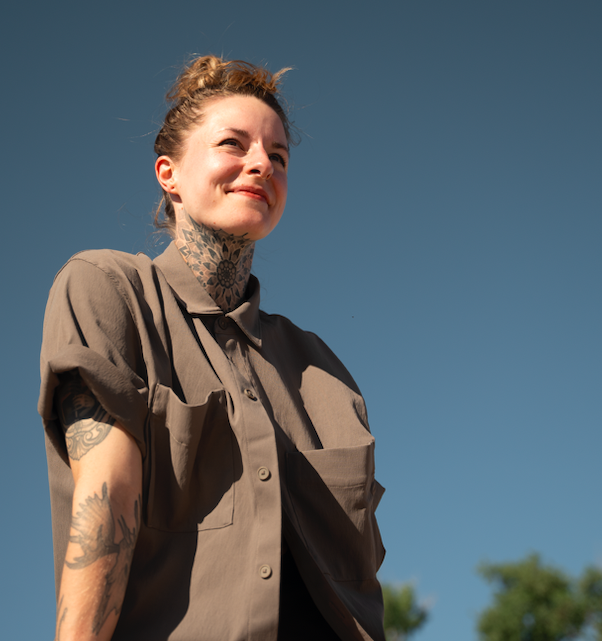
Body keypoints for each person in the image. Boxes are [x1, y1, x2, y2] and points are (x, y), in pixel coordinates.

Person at [37, 56, 385, 641]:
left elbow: (363, 585)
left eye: (279, 157)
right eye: (233, 143)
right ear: (168, 173)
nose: (262, 164)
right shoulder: (108, 289)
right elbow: (107, 494)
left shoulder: (325, 371)